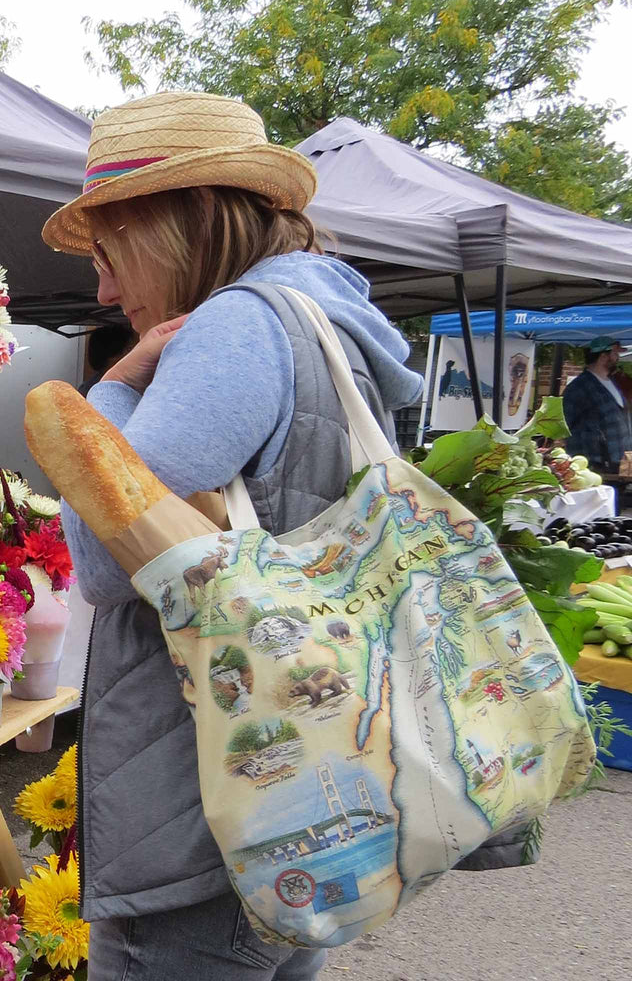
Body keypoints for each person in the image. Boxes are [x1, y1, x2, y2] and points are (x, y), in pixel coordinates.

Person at [40, 91, 423, 980]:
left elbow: (104, 561)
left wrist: (115, 391)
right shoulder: (331, 324)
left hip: (208, 806)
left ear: (173, 225)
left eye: (111, 253)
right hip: (312, 784)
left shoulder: (237, 327)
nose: (102, 288)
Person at [562, 337, 632, 472]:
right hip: (595, 464)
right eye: (615, 353)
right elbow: (564, 425)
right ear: (603, 356)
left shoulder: (612, 382)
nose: (617, 358)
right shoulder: (579, 387)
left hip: (620, 462)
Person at [78, 323, 135, 396]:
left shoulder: (86, 388)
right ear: (114, 356)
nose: (134, 351)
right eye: (129, 348)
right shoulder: (92, 390)